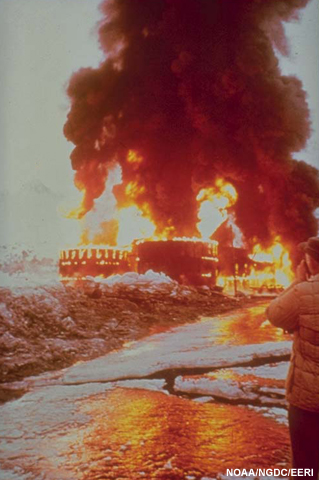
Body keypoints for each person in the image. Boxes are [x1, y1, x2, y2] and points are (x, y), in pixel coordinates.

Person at [266, 236, 319, 479]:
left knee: (305, 467)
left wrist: (298, 280)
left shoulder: (302, 293)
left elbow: (274, 314)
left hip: (307, 403)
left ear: (310, 261)